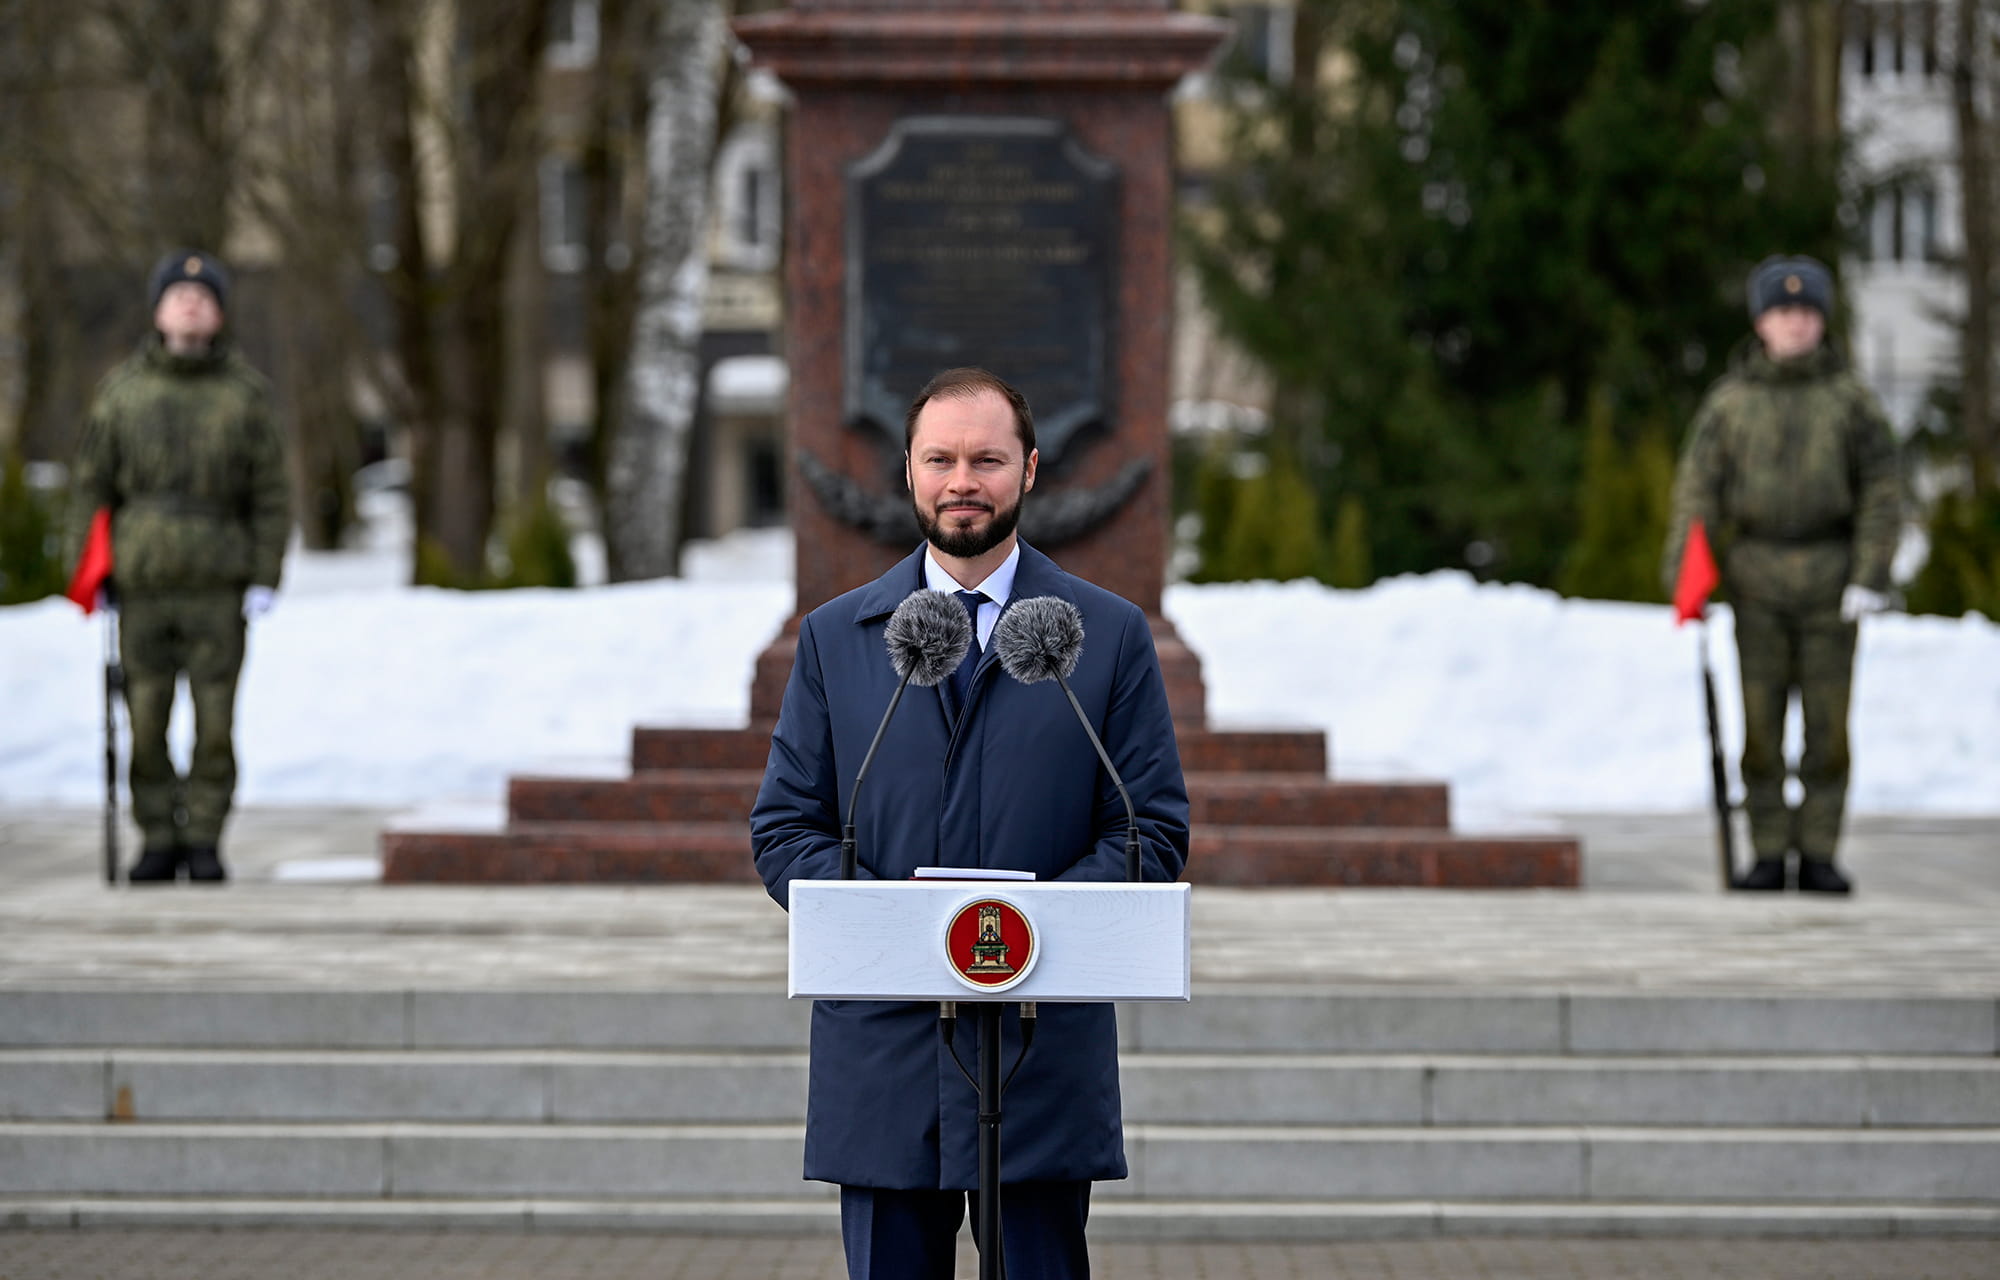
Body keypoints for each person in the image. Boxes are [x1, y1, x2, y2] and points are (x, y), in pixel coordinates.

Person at [750, 367, 1190, 1279]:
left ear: (1029, 471)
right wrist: (906, 929)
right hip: (886, 1049)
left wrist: (1022, 935)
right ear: (906, 472)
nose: (963, 481)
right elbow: (787, 828)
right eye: (941, 458)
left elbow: (1148, 831)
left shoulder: (1103, 637)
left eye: (987, 459)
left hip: (1038, 1046)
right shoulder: (839, 638)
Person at [1662, 255, 1899, 895]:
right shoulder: (1731, 405)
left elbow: (1881, 487)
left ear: (1821, 320)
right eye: (1782, 312)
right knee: (1759, 729)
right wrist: (1689, 576)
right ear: (1761, 322)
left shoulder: (1850, 402)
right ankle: (1767, 849)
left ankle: (1818, 850)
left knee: (1828, 729)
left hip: (1831, 580)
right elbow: (1699, 491)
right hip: (1756, 579)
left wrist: (1870, 573)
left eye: (1806, 311)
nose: (1795, 324)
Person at [68, 250, 290, 884]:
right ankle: (158, 835)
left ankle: (205, 837)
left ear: (219, 312)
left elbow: (271, 493)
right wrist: (91, 572)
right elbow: (93, 487)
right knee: (145, 719)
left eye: (203, 295)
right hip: (142, 580)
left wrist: (265, 575)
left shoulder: (245, 396)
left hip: (218, 582)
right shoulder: (123, 393)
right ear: (158, 309)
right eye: (178, 295)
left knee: (215, 723)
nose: (190, 304)